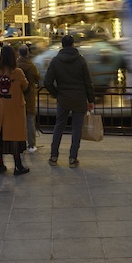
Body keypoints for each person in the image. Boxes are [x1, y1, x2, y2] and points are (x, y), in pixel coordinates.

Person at [43, 34, 95, 168]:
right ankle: (72, 158)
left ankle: (53, 156)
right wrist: (91, 100)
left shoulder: (56, 61)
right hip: (79, 98)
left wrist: (57, 94)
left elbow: (47, 82)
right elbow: (88, 82)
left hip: (63, 98)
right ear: (73, 44)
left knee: (59, 126)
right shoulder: (81, 61)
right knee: (76, 128)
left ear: (62, 45)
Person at [0, 45, 30, 175]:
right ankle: (18, 165)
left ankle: (0, 165)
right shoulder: (17, 72)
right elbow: (25, 86)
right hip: (14, 109)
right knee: (15, 137)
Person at [17, 45, 41, 153]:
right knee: (30, 120)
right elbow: (37, 78)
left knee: (18, 120)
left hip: (18, 95)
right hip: (29, 95)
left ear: (19, 53)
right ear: (27, 53)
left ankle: (19, 143)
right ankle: (31, 145)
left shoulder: (16, 66)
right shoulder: (32, 66)